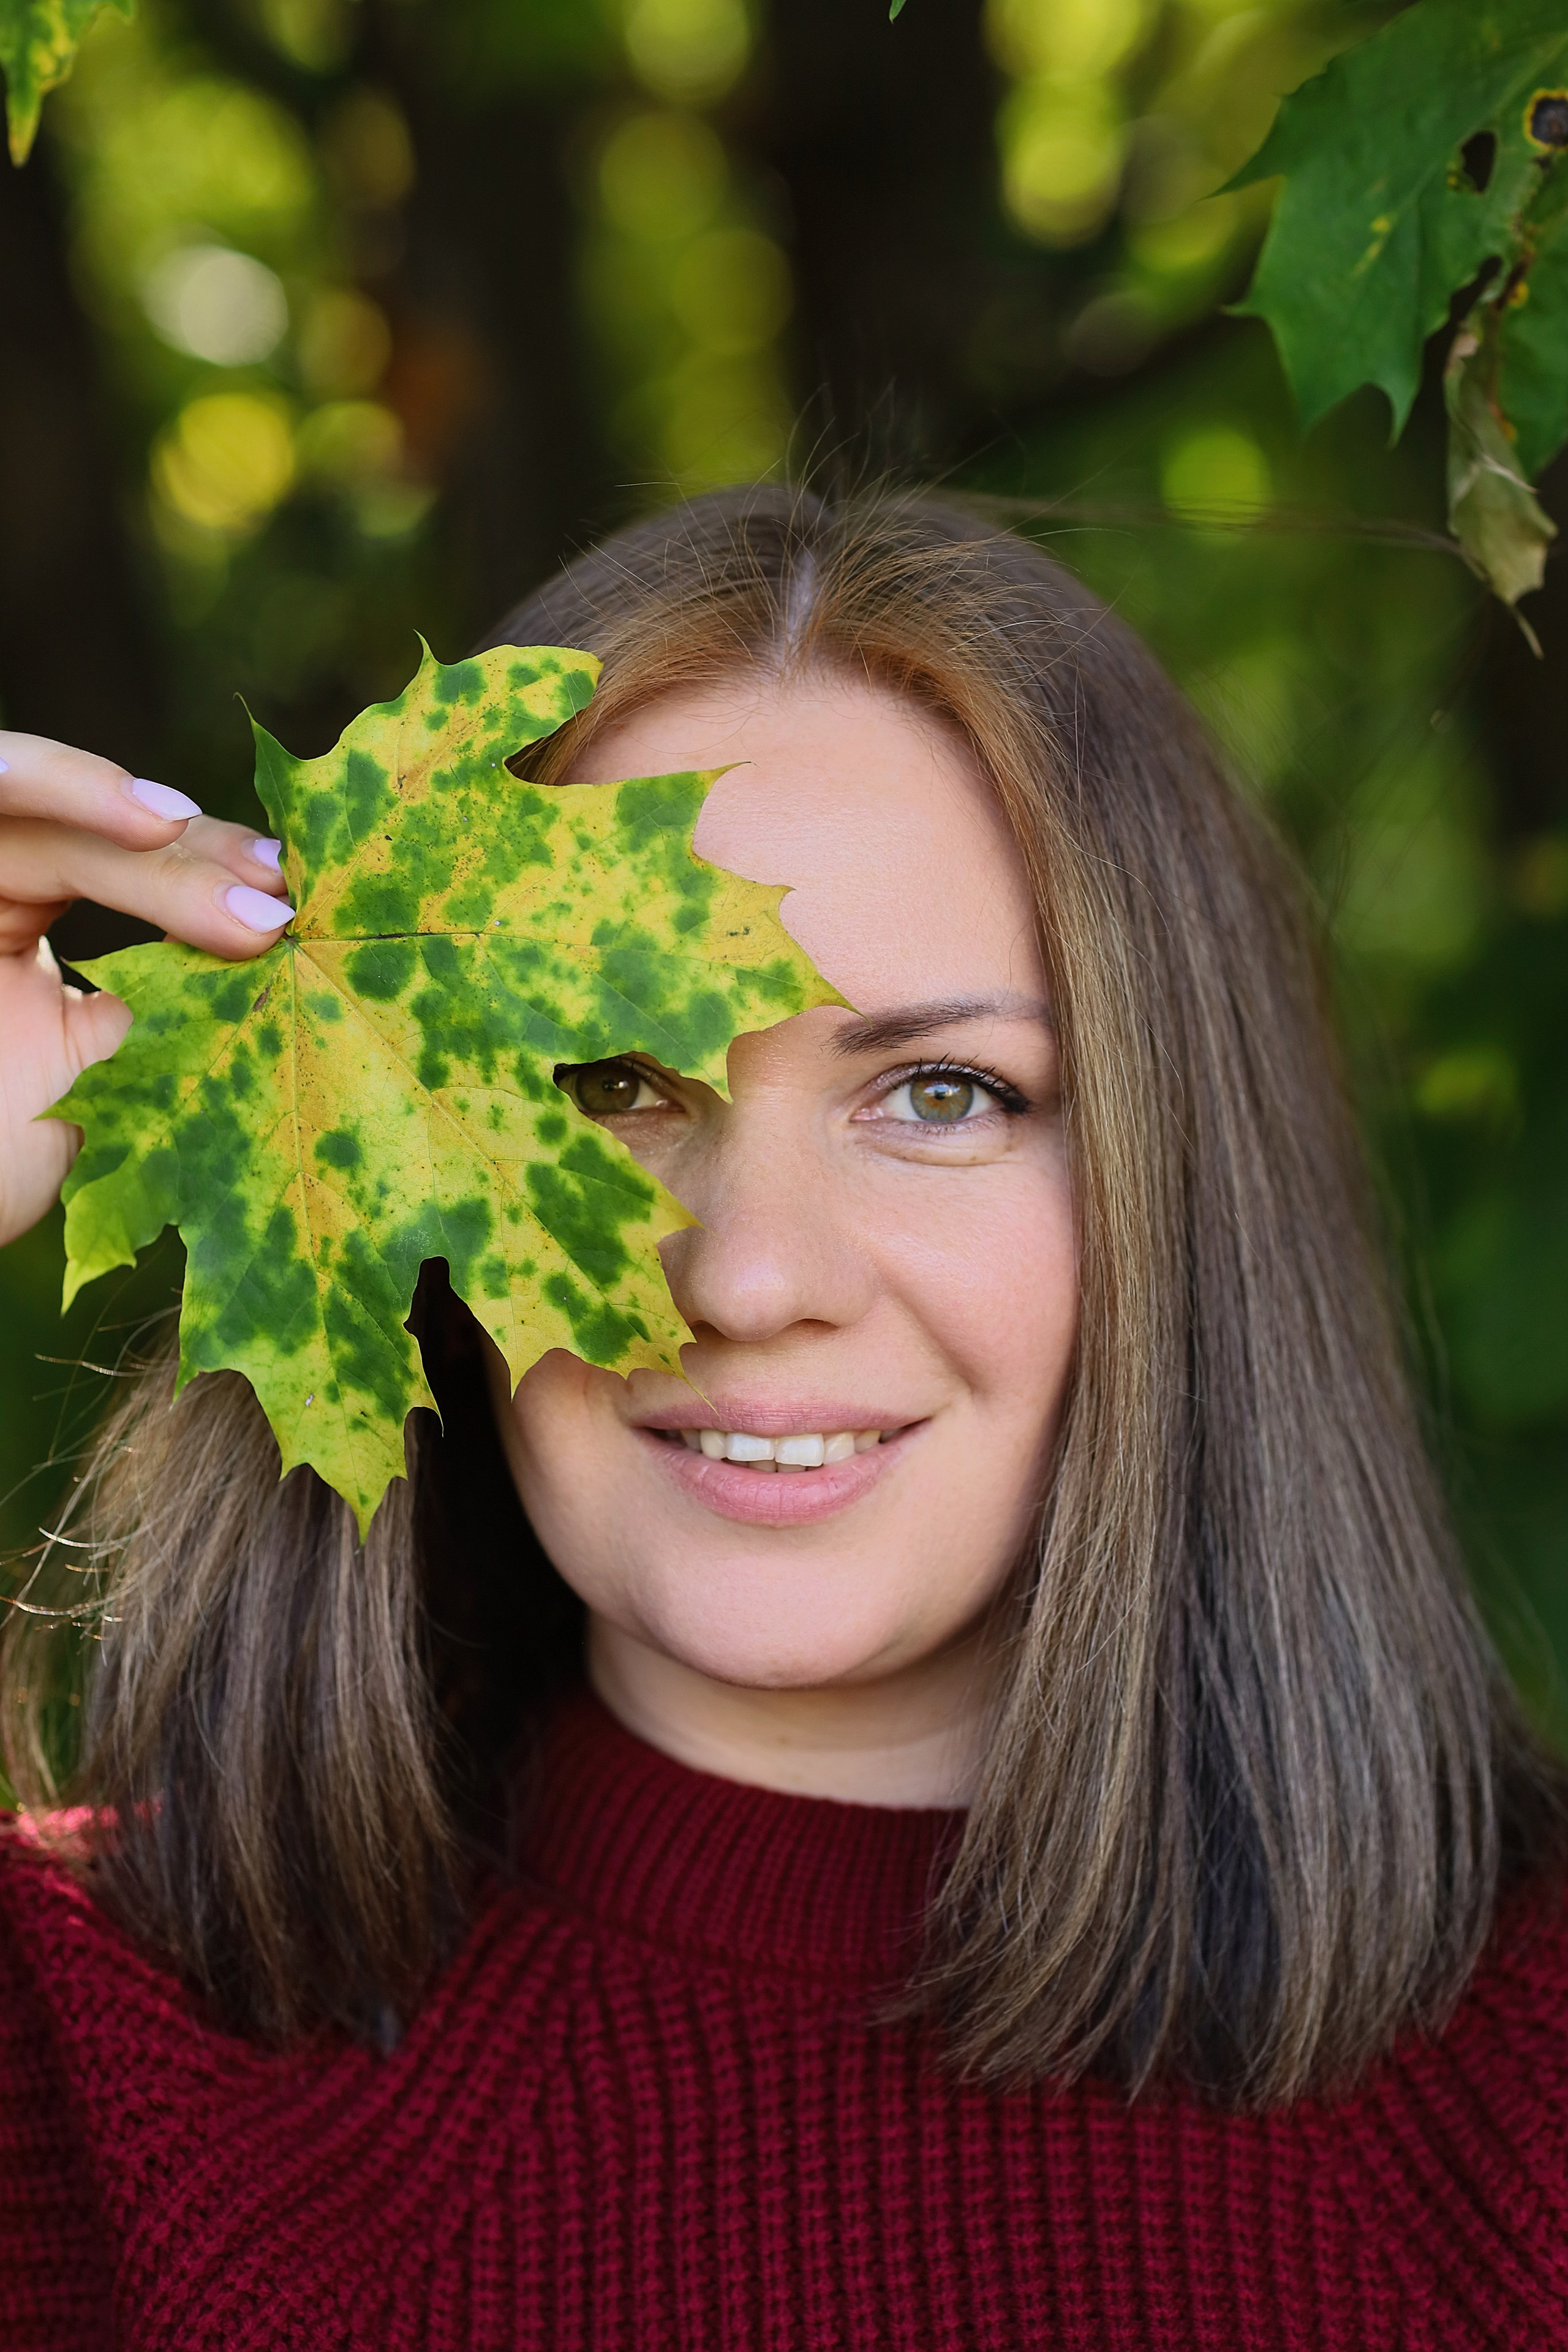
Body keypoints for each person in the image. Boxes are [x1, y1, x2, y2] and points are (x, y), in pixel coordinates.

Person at [1, 488, 1564, 2351]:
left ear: (1183, 1188)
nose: (744, 1279)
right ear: (384, 1172)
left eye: (943, 1092)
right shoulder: (76, 2051)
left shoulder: (1527, 2109)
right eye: (607, 1081)